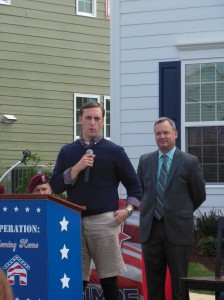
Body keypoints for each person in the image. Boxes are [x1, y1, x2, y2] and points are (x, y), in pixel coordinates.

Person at [50, 101, 142, 300]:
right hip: (73, 221)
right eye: (88, 118)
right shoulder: (68, 151)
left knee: (108, 277)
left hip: (104, 220)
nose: (92, 123)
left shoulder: (114, 151)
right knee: (75, 278)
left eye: (97, 118)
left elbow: (135, 186)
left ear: (103, 121)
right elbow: (55, 186)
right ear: (79, 119)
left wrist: (128, 209)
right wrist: (76, 168)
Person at [137, 117, 206, 300]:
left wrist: (180, 211)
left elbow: (199, 195)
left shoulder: (189, 162)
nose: (162, 137)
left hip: (178, 230)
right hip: (151, 230)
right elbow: (141, 191)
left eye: (166, 132)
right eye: (158, 133)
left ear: (175, 134)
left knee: (179, 285)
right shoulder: (145, 161)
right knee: (154, 284)